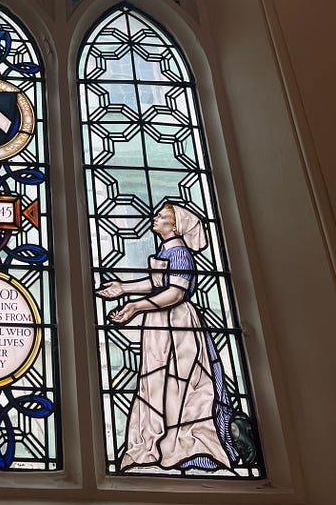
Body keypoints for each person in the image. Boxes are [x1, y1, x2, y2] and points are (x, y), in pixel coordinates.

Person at [97, 202, 238, 472]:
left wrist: (137, 306)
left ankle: (182, 446)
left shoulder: (180, 253)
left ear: (174, 226)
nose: (155, 218)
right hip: (160, 322)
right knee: (157, 382)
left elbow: (175, 293)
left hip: (178, 324)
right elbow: (157, 283)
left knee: (179, 382)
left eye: (161, 217)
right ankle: (158, 441)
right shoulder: (166, 250)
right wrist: (123, 288)